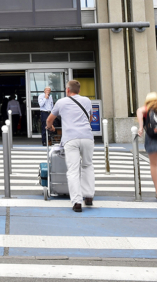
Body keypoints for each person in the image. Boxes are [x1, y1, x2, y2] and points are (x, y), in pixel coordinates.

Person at [46, 80, 94, 213]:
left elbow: (49, 119)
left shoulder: (61, 102)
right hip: (87, 137)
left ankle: (77, 202)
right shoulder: (87, 101)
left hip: (70, 139)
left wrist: (50, 127)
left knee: (73, 170)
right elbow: (90, 118)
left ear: (67, 90)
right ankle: (89, 195)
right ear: (79, 91)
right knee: (87, 165)